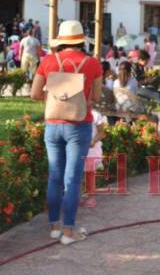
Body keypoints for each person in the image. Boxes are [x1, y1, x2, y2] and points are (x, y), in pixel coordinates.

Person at [30, 20, 103, 245]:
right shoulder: (92, 63)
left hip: (53, 125)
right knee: (72, 179)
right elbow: (98, 97)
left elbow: (34, 94)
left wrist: (56, 95)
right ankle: (68, 232)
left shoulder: (49, 61)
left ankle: (53, 226)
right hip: (78, 125)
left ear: (60, 41)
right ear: (82, 40)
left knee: (54, 176)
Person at [81, 110, 106, 209]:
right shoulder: (74, 112)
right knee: (76, 173)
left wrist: (93, 141)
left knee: (90, 174)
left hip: (91, 150)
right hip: (76, 148)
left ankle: (91, 196)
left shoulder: (95, 115)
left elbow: (102, 133)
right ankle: (77, 195)